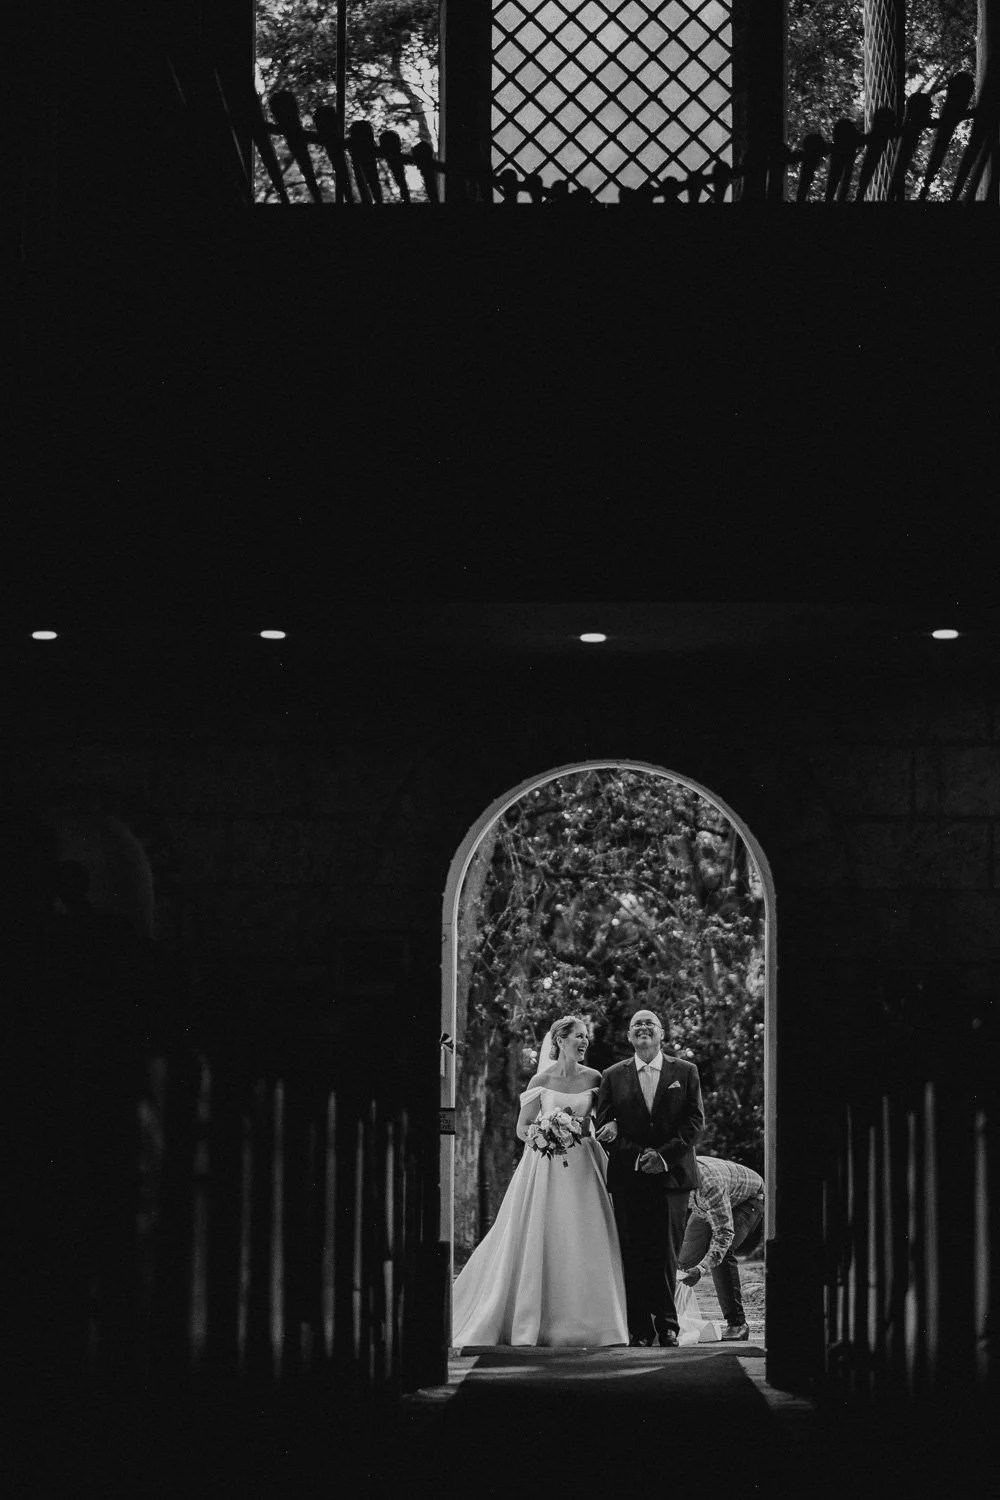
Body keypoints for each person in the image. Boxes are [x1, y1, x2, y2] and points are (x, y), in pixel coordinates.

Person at [450, 1015, 629, 1348]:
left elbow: (609, 1118)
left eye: (586, 1036)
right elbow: (522, 1127)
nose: (584, 1041)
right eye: (578, 1035)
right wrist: (542, 1134)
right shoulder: (540, 1081)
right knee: (544, 1231)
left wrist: (611, 1127)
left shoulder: (595, 1078)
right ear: (560, 1040)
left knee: (586, 1231)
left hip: (585, 1165)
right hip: (545, 1166)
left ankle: (598, 1319)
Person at [594, 1009, 704, 1347]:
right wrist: (640, 1156)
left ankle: (668, 1324)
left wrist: (664, 1156)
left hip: (673, 1179)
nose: (643, 1027)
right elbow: (606, 1127)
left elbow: (694, 1122)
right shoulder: (612, 1076)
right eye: (636, 1024)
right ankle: (639, 1327)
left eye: (649, 1023)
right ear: (629, 1037)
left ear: (661, 1034)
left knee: (666, 1252)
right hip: (630, 1176)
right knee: (633, 1251)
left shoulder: (685, 1072)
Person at [677, 1154, 765, 1342]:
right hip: (708, 1204)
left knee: (723, 1255)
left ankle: (737, 1324)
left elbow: (723, 1234)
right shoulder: (671, 1179)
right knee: (683, 1261)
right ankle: (672, 1316)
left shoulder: (709, 1185)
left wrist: (701, 1269)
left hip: (747, 1200)